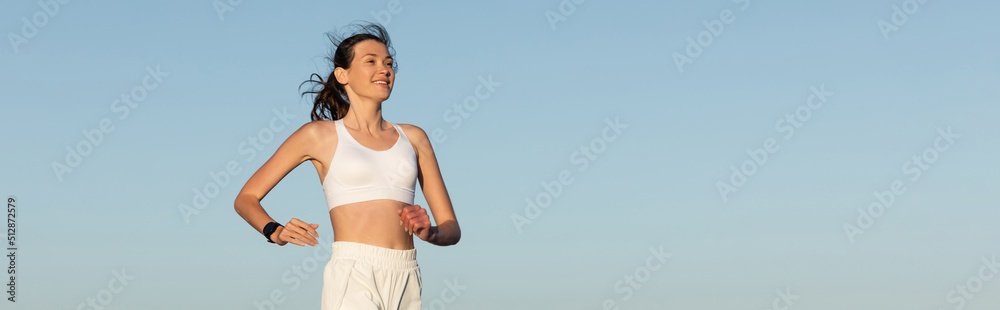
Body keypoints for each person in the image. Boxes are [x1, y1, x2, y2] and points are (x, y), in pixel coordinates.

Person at [233, 23, 460, 310]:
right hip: (354, 272)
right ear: (343, 75)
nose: (385, 70)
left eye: (389, 63)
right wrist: (274, 231)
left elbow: (452, 229)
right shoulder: (318, 135)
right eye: (371, 62)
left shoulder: (414, 138)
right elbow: (245, 198)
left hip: (407, 274)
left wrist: (430, 233)